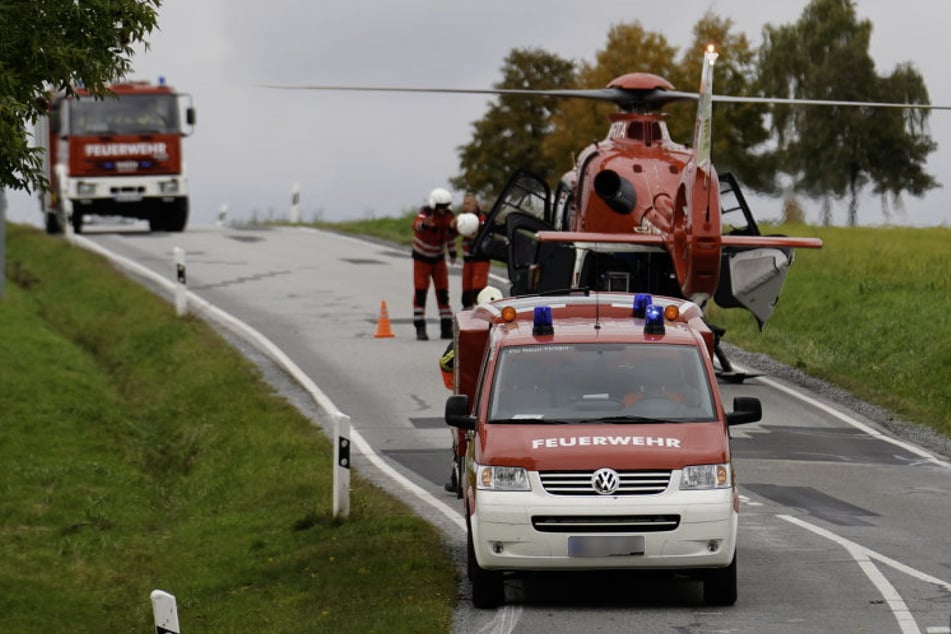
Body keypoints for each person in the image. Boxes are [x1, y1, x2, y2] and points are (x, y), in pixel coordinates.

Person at [412, 187, 457, 341]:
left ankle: (446, 328)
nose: (443, 210)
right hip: (421, 259)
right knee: (420, 293)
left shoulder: (450, 216)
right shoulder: (426, 213)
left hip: (438, 259)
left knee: (443, 293)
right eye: (441, 206)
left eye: (446, 206)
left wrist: (452, 252)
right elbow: (416, 224)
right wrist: (425, 224)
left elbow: (450, 236)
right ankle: (420, 328)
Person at [457, 192, 491, 310]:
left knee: (478, 290)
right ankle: (466, 315)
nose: (466, 206)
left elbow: (489, 233)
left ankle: (481, 316)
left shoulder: (483, 219)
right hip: (468, 259)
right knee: (466, 292)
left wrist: (478, 234)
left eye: (469, 203)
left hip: (480, 259)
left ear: (476, 204)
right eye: (465, 204)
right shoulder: (462, 219)